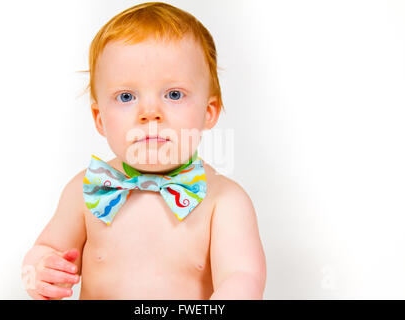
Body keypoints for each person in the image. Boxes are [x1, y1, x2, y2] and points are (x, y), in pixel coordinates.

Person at [22, 1, 266, 300]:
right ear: (100, 119)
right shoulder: (86, 190)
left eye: (174, 94)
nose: (149, 112)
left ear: (209, 111)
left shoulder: (224, 201)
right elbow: (46, 248)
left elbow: (242, 276)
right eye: (126, 96)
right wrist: (41, 269)